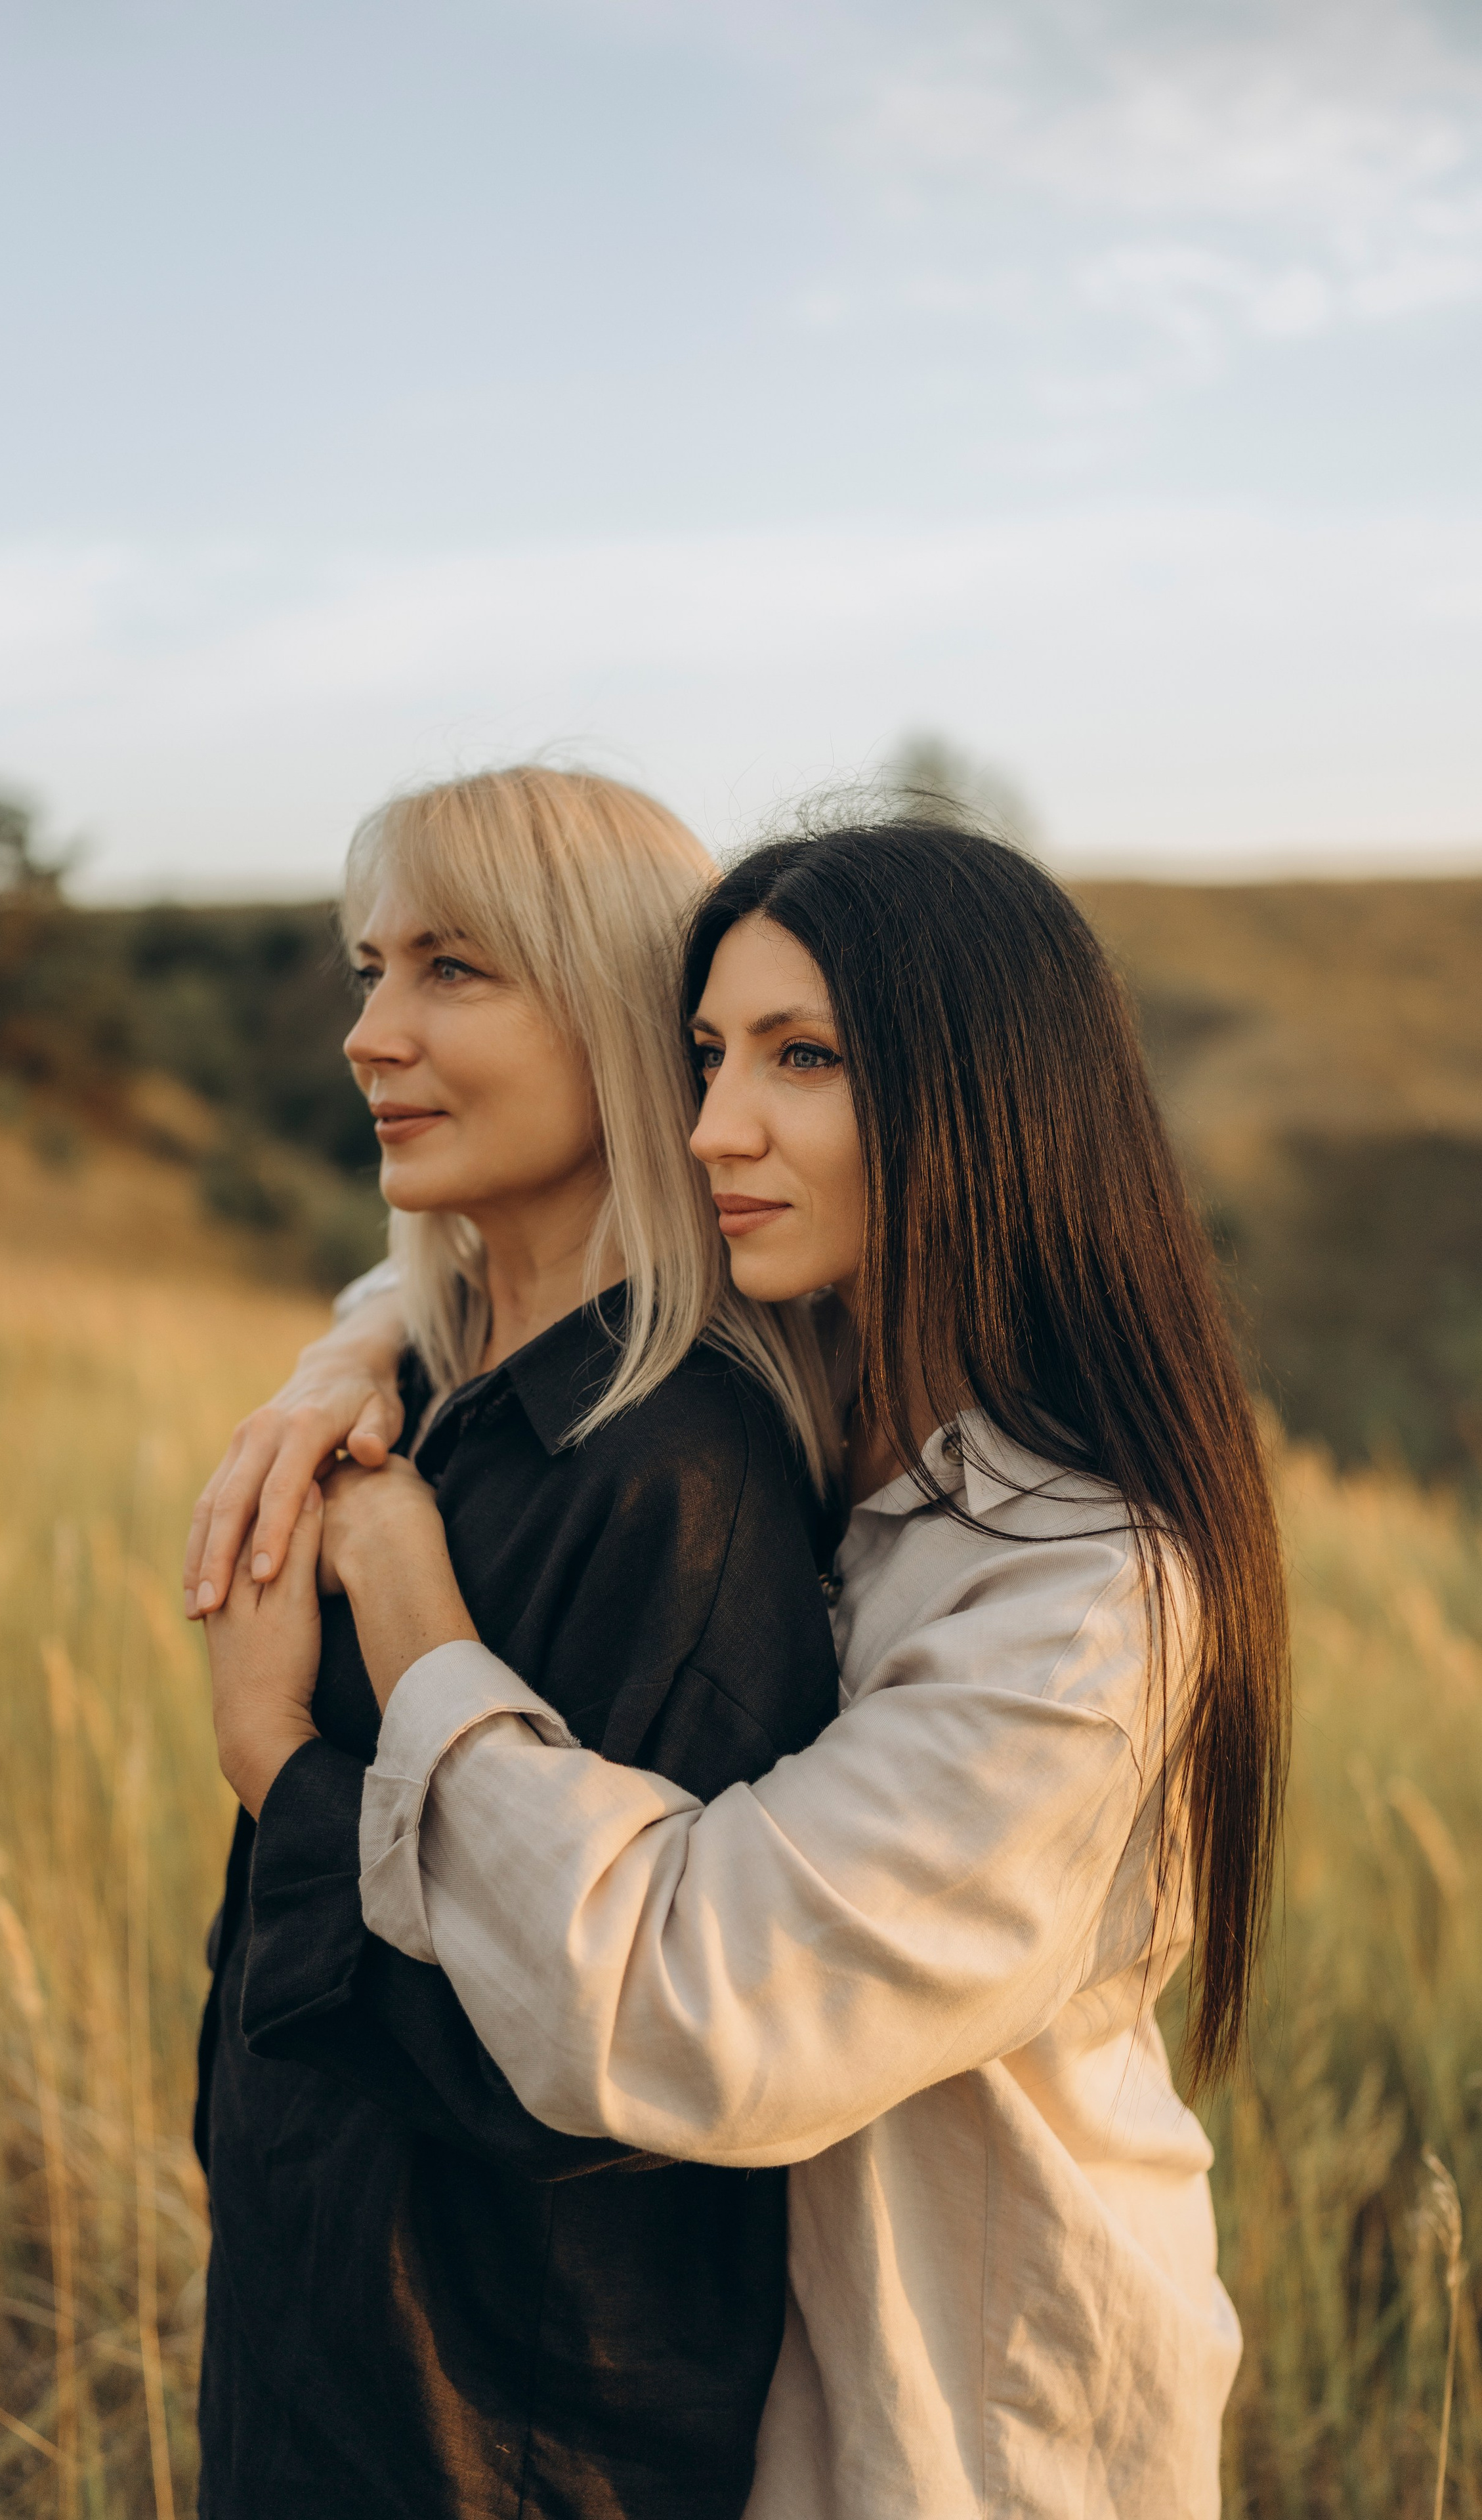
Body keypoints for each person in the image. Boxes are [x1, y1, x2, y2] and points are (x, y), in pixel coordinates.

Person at [208, 812, 1290, 2519]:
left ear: (986, 1100)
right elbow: (472, 1264)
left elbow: (685, 2003)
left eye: (805, 1058)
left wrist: (362, 1655)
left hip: (971, 2425)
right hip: (752, 2401)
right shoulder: (821, 1362)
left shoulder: (1087, 1604)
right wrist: (339, 1365)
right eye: (705, 1055)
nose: (714, 1124)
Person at [194, 767, 844, 2520]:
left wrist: (276, 1760)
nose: (369, 1033)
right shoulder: (433, 1394)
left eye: (452, 968)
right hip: (319, 2357)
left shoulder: (678, 1480)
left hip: (506, 2437)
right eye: (367, 969)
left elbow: (590, 2068)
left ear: (620, 1009)